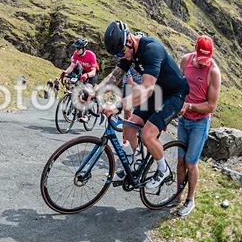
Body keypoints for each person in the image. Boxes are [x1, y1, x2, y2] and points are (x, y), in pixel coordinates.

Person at [94, 20, 190, 190]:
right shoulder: (128, 52)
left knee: (147, 135)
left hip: (174, 94)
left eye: (121, 53)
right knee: (129, 126)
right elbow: (115, 76)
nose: (121, 57)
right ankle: (129, 164)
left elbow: (145, 91)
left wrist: (117, 105)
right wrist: (94, 92)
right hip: (157, 93)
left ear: (129, 41)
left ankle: (163, 170)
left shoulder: (151, 49)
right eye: (117, 55)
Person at [175, 35, 222, 217]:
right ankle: (177, 196)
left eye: (207, 59)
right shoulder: (186, 60)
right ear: (195, 49)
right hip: (183, 119)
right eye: (201, 59)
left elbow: (211, 105)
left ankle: (190, 199)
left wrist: (190, 106)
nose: (203, 63)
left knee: (191, 162)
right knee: (180, 160)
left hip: (199, 123)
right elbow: (180, 86)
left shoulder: (213, 72)